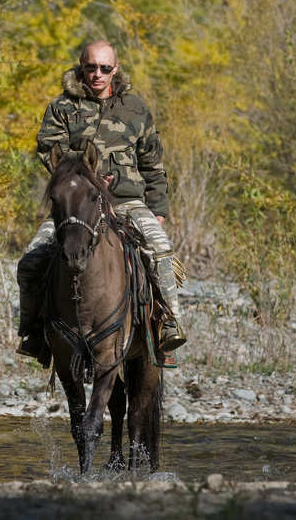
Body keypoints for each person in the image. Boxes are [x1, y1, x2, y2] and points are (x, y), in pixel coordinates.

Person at [17, 40, 186, 364]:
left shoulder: (136, 109)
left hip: (127, 202)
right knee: (30, 262)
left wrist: (159, 210)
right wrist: (86, 180)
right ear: (81, 66)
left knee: (161, 251)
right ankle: (34, 332)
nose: (97, 74)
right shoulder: (61, 108)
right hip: (75, 206)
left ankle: (167, 325)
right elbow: (49, 153)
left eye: (105, 68)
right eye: (91, 67)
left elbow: (153, 164)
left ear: (115, 69)